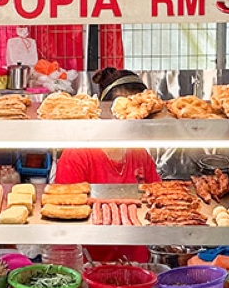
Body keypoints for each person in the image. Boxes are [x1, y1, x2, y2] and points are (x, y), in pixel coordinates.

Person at [53, 68, 160, 263]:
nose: (130, 120)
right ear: (106, 111)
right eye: (124, 112)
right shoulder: (77, 154)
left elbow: (157, 197)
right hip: (89, 265)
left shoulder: (139, 153)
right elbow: (65, 217)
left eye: (138, 115)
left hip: (136, 263)